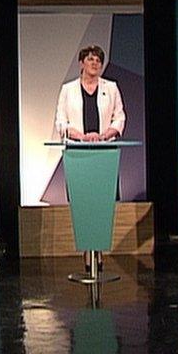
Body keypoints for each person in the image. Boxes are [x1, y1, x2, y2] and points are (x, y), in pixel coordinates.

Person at [53, 45, 127, 271]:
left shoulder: (111, 88)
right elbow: (60, 121)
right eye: (91, 59)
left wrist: (105, 135)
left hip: (104, 152)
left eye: (98, 60)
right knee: (83, 203)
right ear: (81, 63)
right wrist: (79, 135)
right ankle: (87, 252)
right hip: (78, 153)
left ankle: (100, 251)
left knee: (102, 203)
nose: (95, 63)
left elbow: (120, 117)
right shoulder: (68, 90)